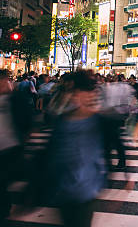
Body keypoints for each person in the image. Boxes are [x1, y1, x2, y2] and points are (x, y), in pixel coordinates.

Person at [45, 71, 106, 227]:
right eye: (88, 89)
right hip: (64, 189)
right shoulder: (63, 122)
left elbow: (109, 147)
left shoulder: (100, 121)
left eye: (94, 89)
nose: (92, 94)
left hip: (86, 191)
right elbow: (50, 154)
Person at [1, 70, 22, 221]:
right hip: (7, 146)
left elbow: (24, 120)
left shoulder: (14, 99)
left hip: (8, 146)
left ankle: (4, 209)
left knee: (2, 181)